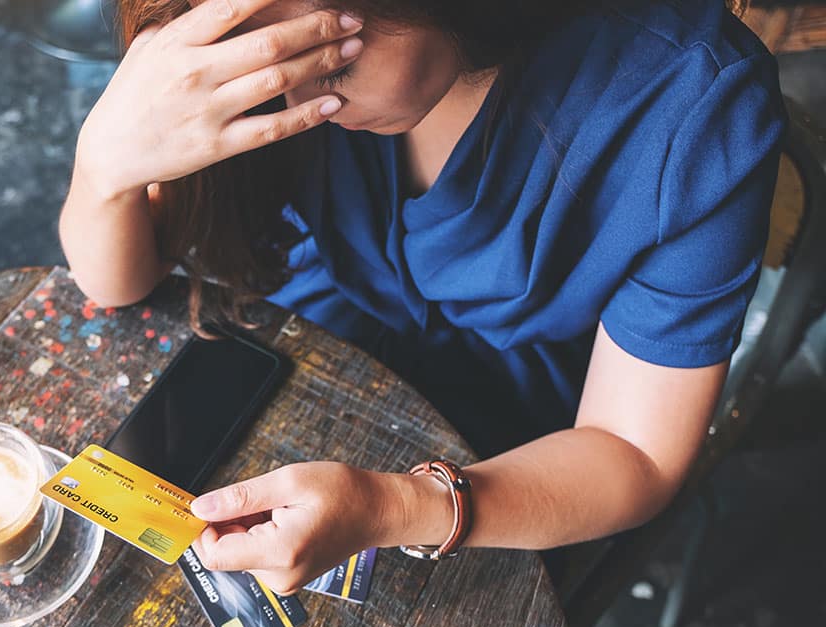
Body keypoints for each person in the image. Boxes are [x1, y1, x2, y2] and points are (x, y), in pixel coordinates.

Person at [59, 0, 786, 594]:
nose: (305, 98)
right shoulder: (266, 79)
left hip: (530, 452)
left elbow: (635, 455)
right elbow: (118, 282)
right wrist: (105, 166)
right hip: (307, 337)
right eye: (267, 58)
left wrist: (400, 506)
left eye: (328, 49)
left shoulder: (687, 98)